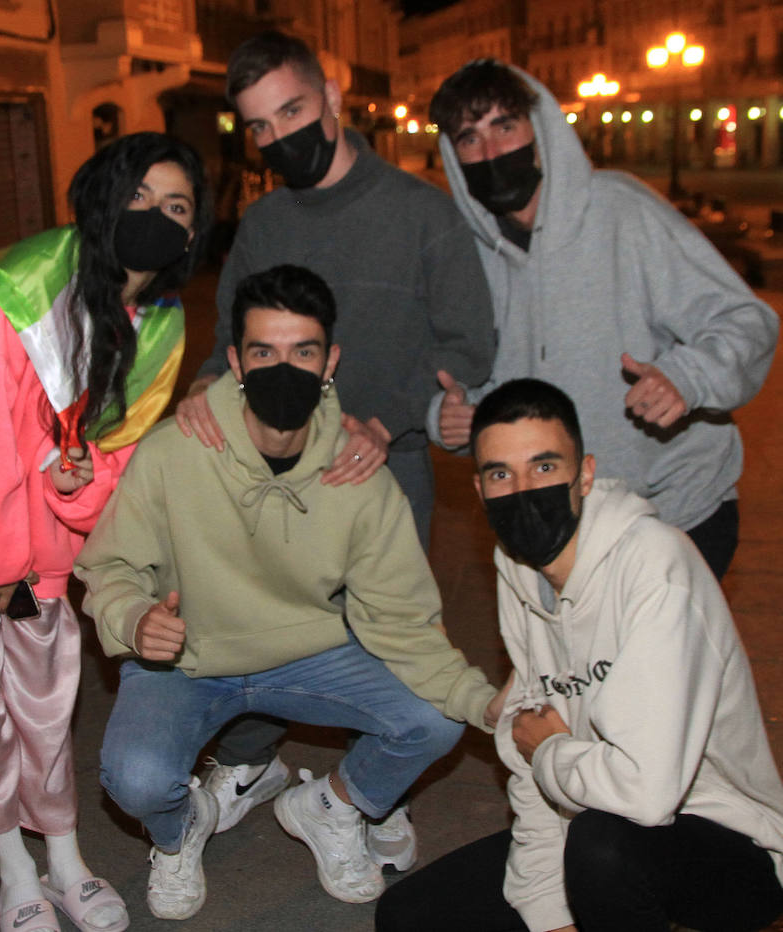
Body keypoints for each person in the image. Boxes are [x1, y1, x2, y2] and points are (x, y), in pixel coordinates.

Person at [74, 264, 504, 921]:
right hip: (184, 657)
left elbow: (405, 624)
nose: (284, 369)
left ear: (329, 361)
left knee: (435, 716)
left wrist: (484, 701)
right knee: (134, 778)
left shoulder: (358, 475)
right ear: (235, 364)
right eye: (264, 352)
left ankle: (332, 805)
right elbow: (110, 568)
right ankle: (179, 830)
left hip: (307, 655)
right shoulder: (173, 454)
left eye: (302, 352)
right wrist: (133, 620)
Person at [0, 132, 211, 932]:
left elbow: (113, 456)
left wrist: (76, 493)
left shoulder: (157, 325)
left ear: (195, 233)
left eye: (176, 206)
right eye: (137, 196)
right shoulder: (17, 292)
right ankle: (14, 868)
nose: (154, 217)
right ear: (99, 197)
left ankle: (65, 855)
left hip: (36, 539)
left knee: (46, 697)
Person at [172, 28, 498, 864]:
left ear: (333, 95)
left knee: (391, 643)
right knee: (264, 626)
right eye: (260, 127)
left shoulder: (423, 212)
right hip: (277, 478)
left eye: (293, 110)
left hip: (386, 467)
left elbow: (469, 346)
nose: (281, 137)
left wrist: (386, 421)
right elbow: (225, 349)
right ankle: (248, 767)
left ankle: (367, 795)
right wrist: (202, 403)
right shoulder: (264, 221)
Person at [375, 378, 783, 932]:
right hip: (583, 808)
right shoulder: (519, 566)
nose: (524, 490)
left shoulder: (657, 571)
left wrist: (552, 749)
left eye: (545, 467)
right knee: (409, 918)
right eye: (501, 474)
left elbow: (644, 794)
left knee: (604, 846)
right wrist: (551, 917)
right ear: (480, 490)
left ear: (584, 475)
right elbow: (526, 757)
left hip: (727, 843)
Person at [427, 60, 780, 581]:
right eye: (470, 138)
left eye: (505, 126)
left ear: (539, 128)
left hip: (672, 513)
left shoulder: (622, 213)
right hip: (551, 524)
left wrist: (688, 376)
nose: (492, 151)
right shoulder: (469, 254)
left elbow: (744, 319)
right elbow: (474, 380)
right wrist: (452, 417)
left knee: (658, 665)